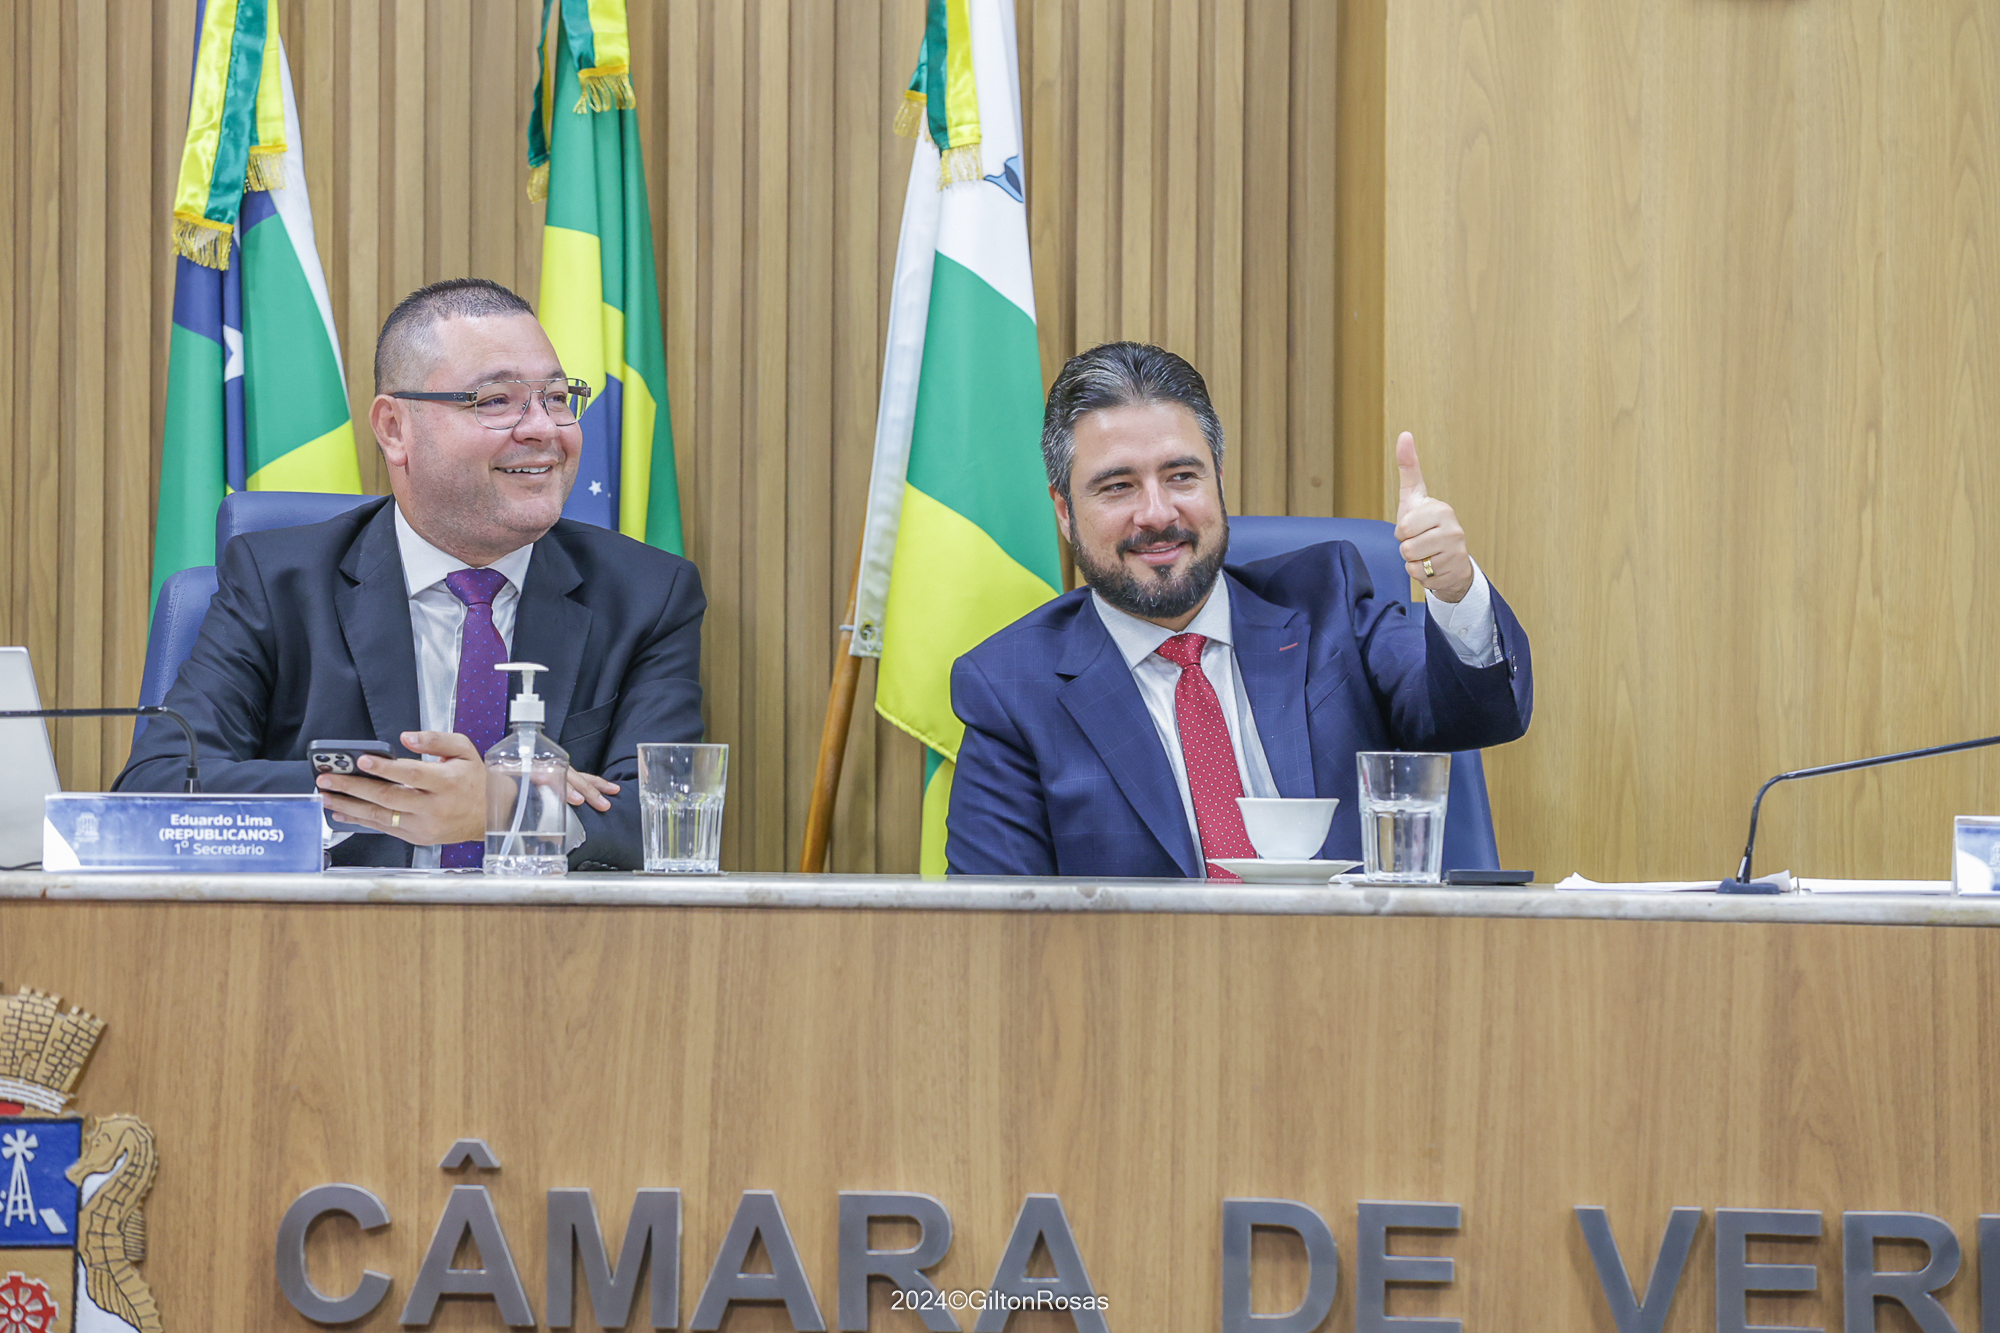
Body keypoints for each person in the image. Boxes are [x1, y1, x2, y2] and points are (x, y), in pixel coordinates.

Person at [117, 278, 704, 870]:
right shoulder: (278, 583)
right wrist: (408, 791)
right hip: (339, 926)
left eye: (556, 397)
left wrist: (506, 807)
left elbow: (668, 821)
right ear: (395, 429)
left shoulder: (649, 596)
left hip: (548, 929)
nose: (544, 428)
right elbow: (158, 788)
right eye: (496, 401)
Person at [946, 341, 1532, 878]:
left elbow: (1477, 716)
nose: (1157, 513)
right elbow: (995, 927)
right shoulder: (1010, 688)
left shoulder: (1326, 605)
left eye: (1182, 476)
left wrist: (1454, 589)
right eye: (1118, 486)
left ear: (1218, 481)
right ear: (1064, 510)